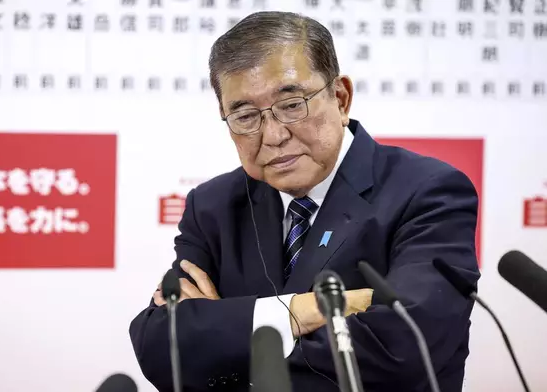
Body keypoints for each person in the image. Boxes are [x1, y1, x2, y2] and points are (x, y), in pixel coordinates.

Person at [129, 11, 480, 392]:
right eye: (245, 115)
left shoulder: (427, 191)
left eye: (293, 104)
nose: (275, 135)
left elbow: (404, 349)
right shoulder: (213, 205)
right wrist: (298, 312)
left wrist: (225, 337)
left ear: (341, 98)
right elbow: (159, 347)